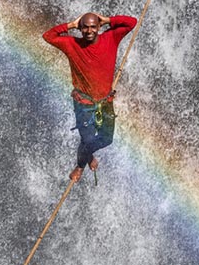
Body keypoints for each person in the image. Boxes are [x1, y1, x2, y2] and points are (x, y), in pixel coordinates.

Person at [42, 12, 137, 183]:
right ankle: (80, 165)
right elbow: (48, 36)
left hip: (106, 101)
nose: (89, 30)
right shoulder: (71, 44)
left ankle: (87, 154)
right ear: (80, 28)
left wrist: (107, 20)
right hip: (84, 103)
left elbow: (132, 23)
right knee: (87, 139)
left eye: (93, 26)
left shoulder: (111, 38)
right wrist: (71, 25)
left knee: (106, 139)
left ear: (99, 27)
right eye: (85, 27)